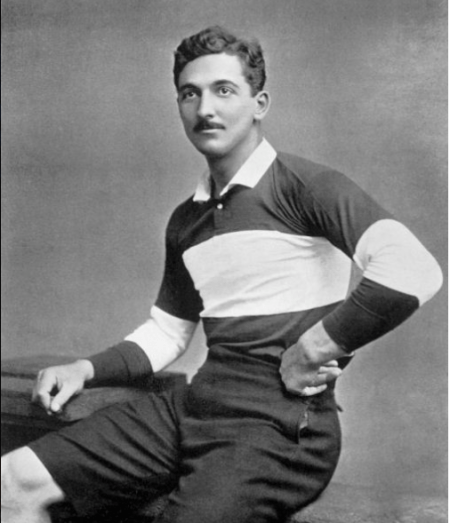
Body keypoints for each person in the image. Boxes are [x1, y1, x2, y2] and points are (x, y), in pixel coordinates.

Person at [1, 26, 443, 523]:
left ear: (259, 103)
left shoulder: (306, 187)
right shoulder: (185, 220)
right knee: (11, 485)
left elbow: (413, 270)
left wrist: (316, 347)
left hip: (278, 430)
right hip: (193, 410)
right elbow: (168, 333)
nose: (205, 108)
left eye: (224, 90)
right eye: (190, 94)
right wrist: (85, 369)